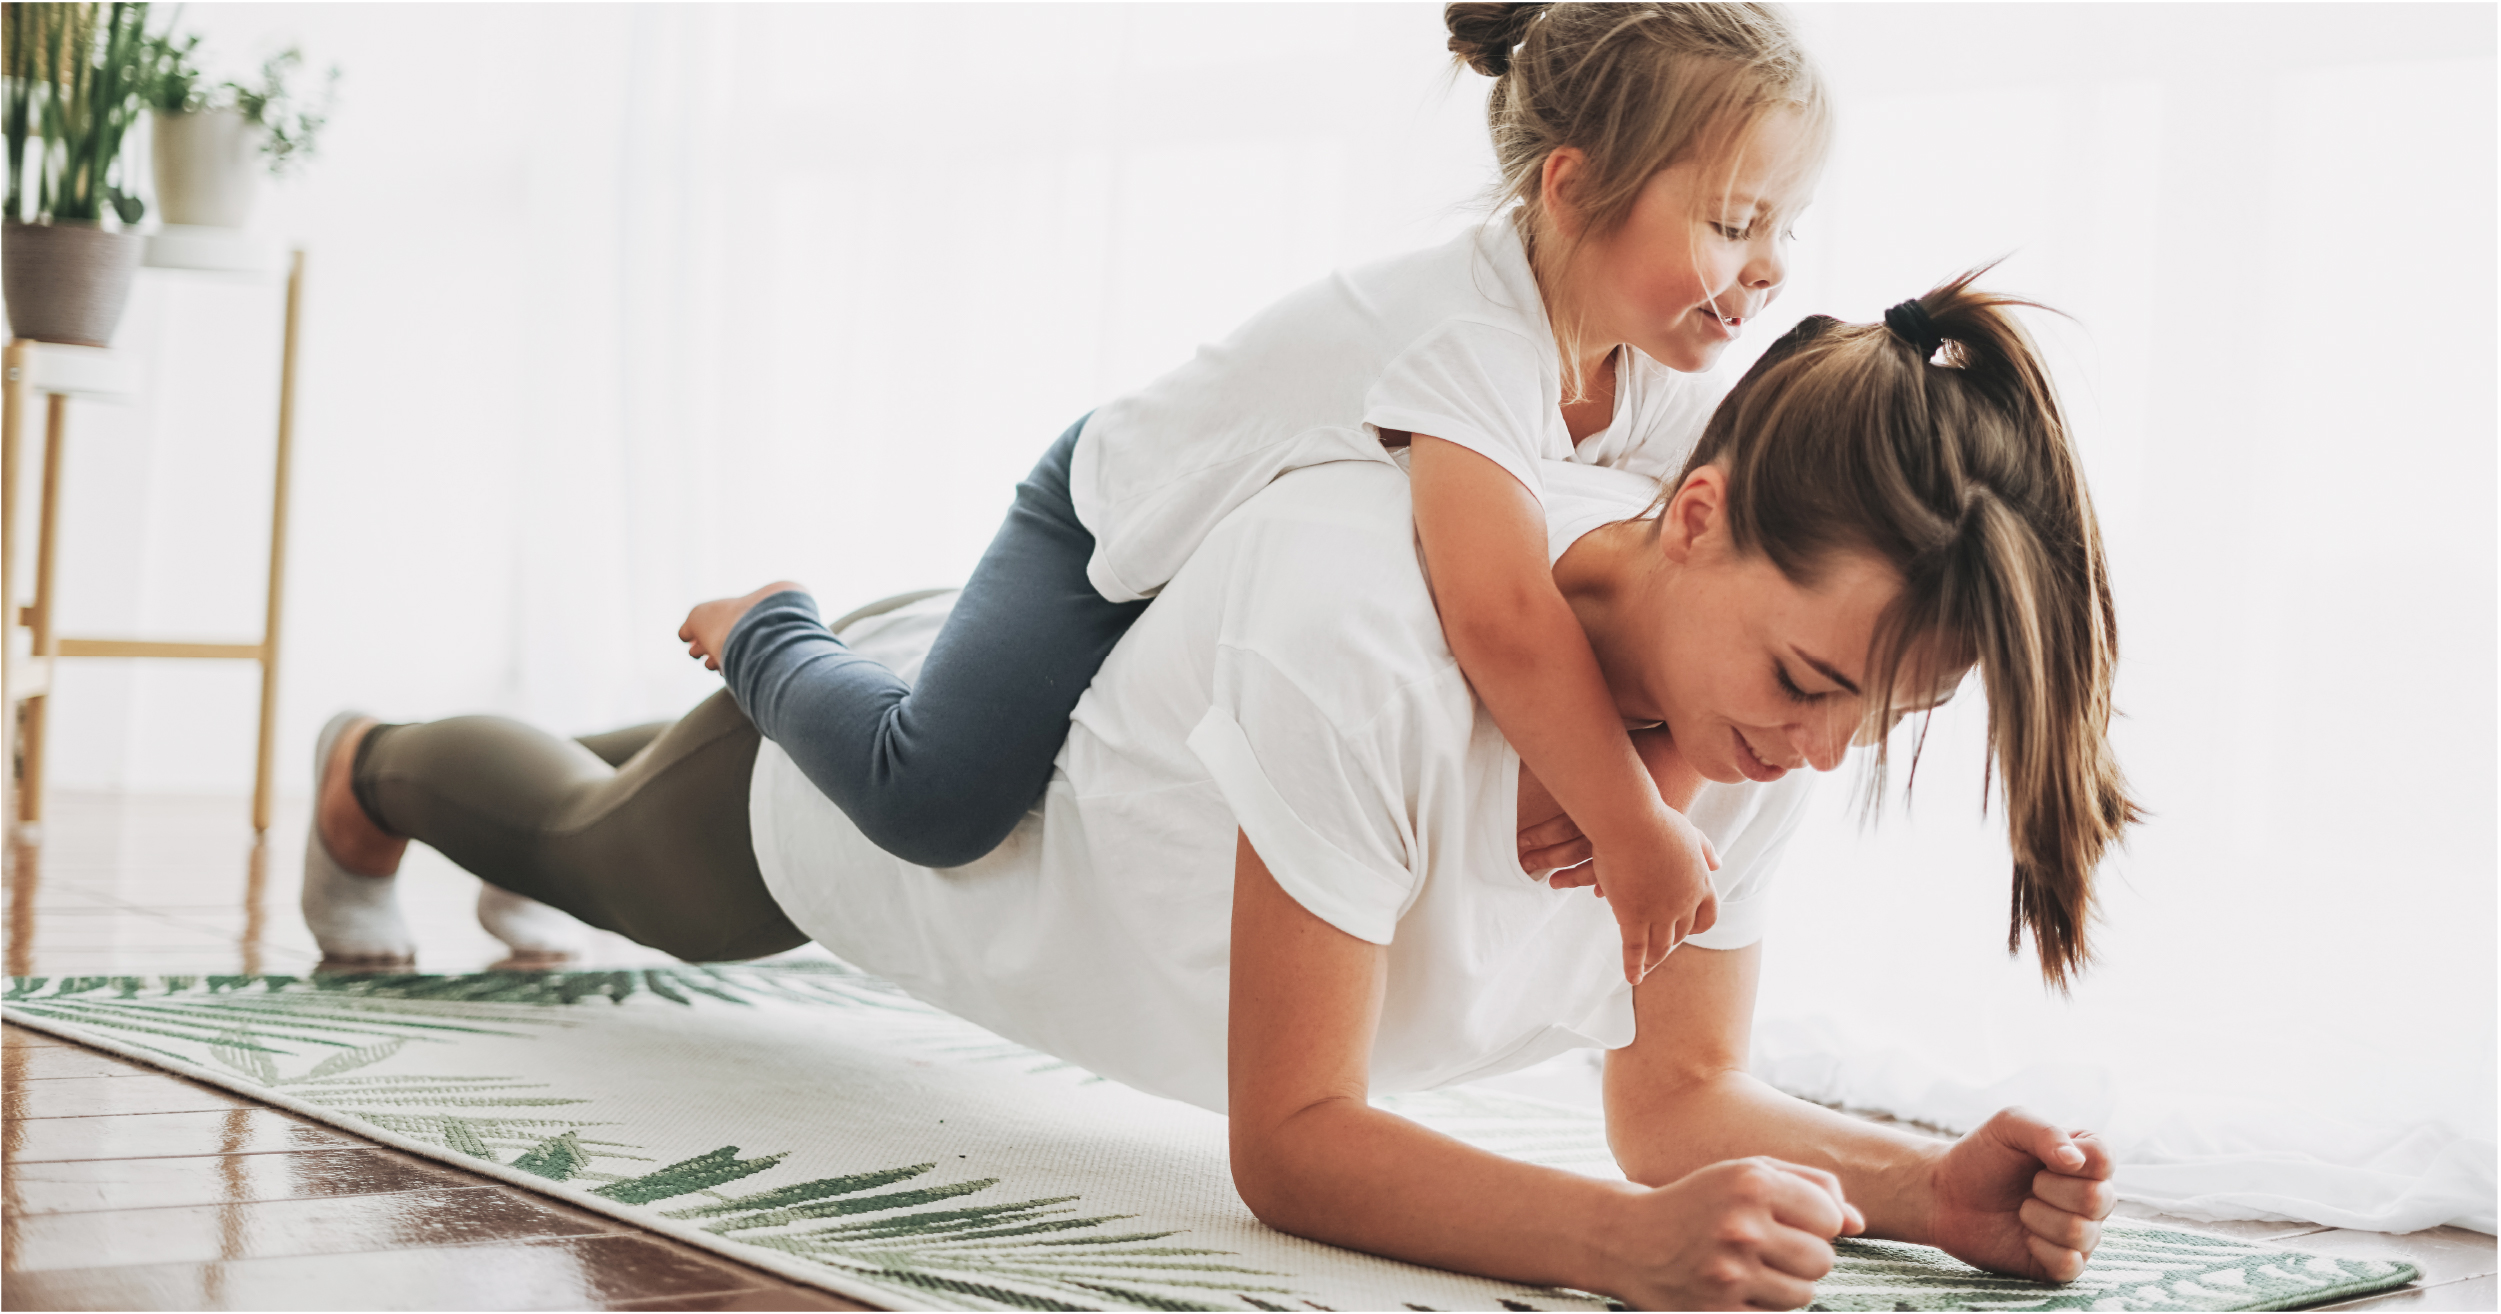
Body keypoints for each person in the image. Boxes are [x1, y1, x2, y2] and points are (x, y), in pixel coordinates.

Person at [301, 276, 2138, 1308]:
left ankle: (691, 688)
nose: (1817, 752)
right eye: (1814, 683)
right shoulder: (1366, 614)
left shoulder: (1753, 733)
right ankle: (368, 764)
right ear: (1696, 510)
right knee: (592, 848)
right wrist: (1621, 1252)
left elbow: (1675, 1099)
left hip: (1011, 713)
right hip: (894, 825)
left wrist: (1922, 1187)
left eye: (1871, 720)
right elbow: (1296, 1135)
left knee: (627, 772)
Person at [711, 2, 1834, 991]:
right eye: (1734, 225)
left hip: (1226, 566)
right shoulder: (1474, 339)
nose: (1771, 265)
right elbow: (1496, 615)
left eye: (1784, 227)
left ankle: (919, 630)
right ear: (1574, 186)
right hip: (1109, 519)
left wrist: (1656, 785)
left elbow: (1695, 597)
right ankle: (769, 631)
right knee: (936, 804)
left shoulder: (1655, 372)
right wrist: (1628, 819)